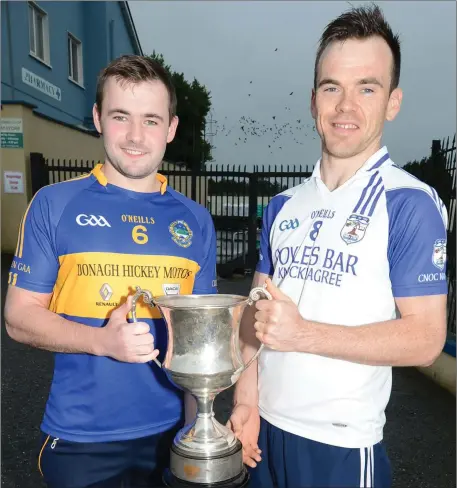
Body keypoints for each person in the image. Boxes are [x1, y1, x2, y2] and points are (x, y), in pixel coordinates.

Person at [228, 5, 448, 488]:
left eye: (366, 88)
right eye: (333, 87)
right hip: (263, 433)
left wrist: (304, 334)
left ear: (392, 101)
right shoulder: (282, 206)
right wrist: (245, 400)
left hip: (342, 447)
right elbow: (254, 312)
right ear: (313, 101)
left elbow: (427, 340)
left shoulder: (409, 203)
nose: (346, 106)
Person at [4, 55, 217, 488]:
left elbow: (201, 342)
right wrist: (100, 341)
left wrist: (198, 431)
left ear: (171, 128)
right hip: (82, 441)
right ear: (99, 118)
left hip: (171, 437)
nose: (136, 136)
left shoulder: (195, 221)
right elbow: (18, 317)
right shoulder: (54, 204)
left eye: (151, 120)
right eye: (121, 116)